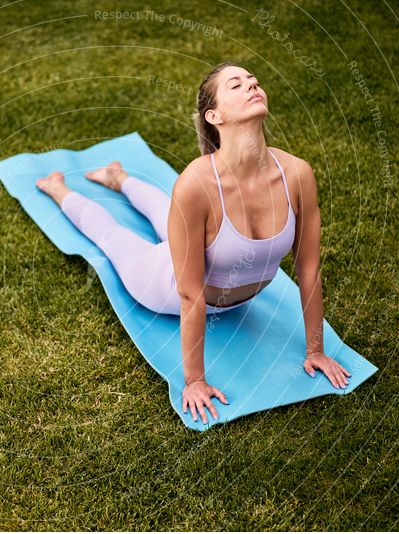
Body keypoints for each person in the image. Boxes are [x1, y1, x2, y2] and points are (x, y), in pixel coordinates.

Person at [35, 61, 351, 425]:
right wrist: (195, 381)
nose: (252, 85)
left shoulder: (297, 173)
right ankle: (57, 187)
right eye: (237, 84)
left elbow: (308, 268)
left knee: (165, 211)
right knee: (113, 237)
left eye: (254, 80)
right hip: (163, 285)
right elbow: (190, 295)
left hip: (231, 293)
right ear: (214, 115)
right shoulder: (197, 183)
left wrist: (317, 350)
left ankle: (116, 176)